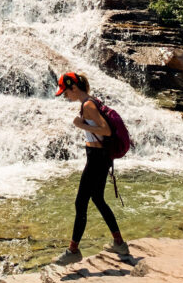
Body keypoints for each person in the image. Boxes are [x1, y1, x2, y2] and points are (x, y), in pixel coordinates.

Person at [53, 71, 129, 265]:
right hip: (100, 157)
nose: (65, 96)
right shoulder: (90, 101)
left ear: (74, 87)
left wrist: (81, 125)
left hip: (97, 158)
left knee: (80, 203)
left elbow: (106, 130)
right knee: (98, 199)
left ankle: (73, 250)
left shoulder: (88, 105)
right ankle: (119, 242)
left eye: (65, 92)